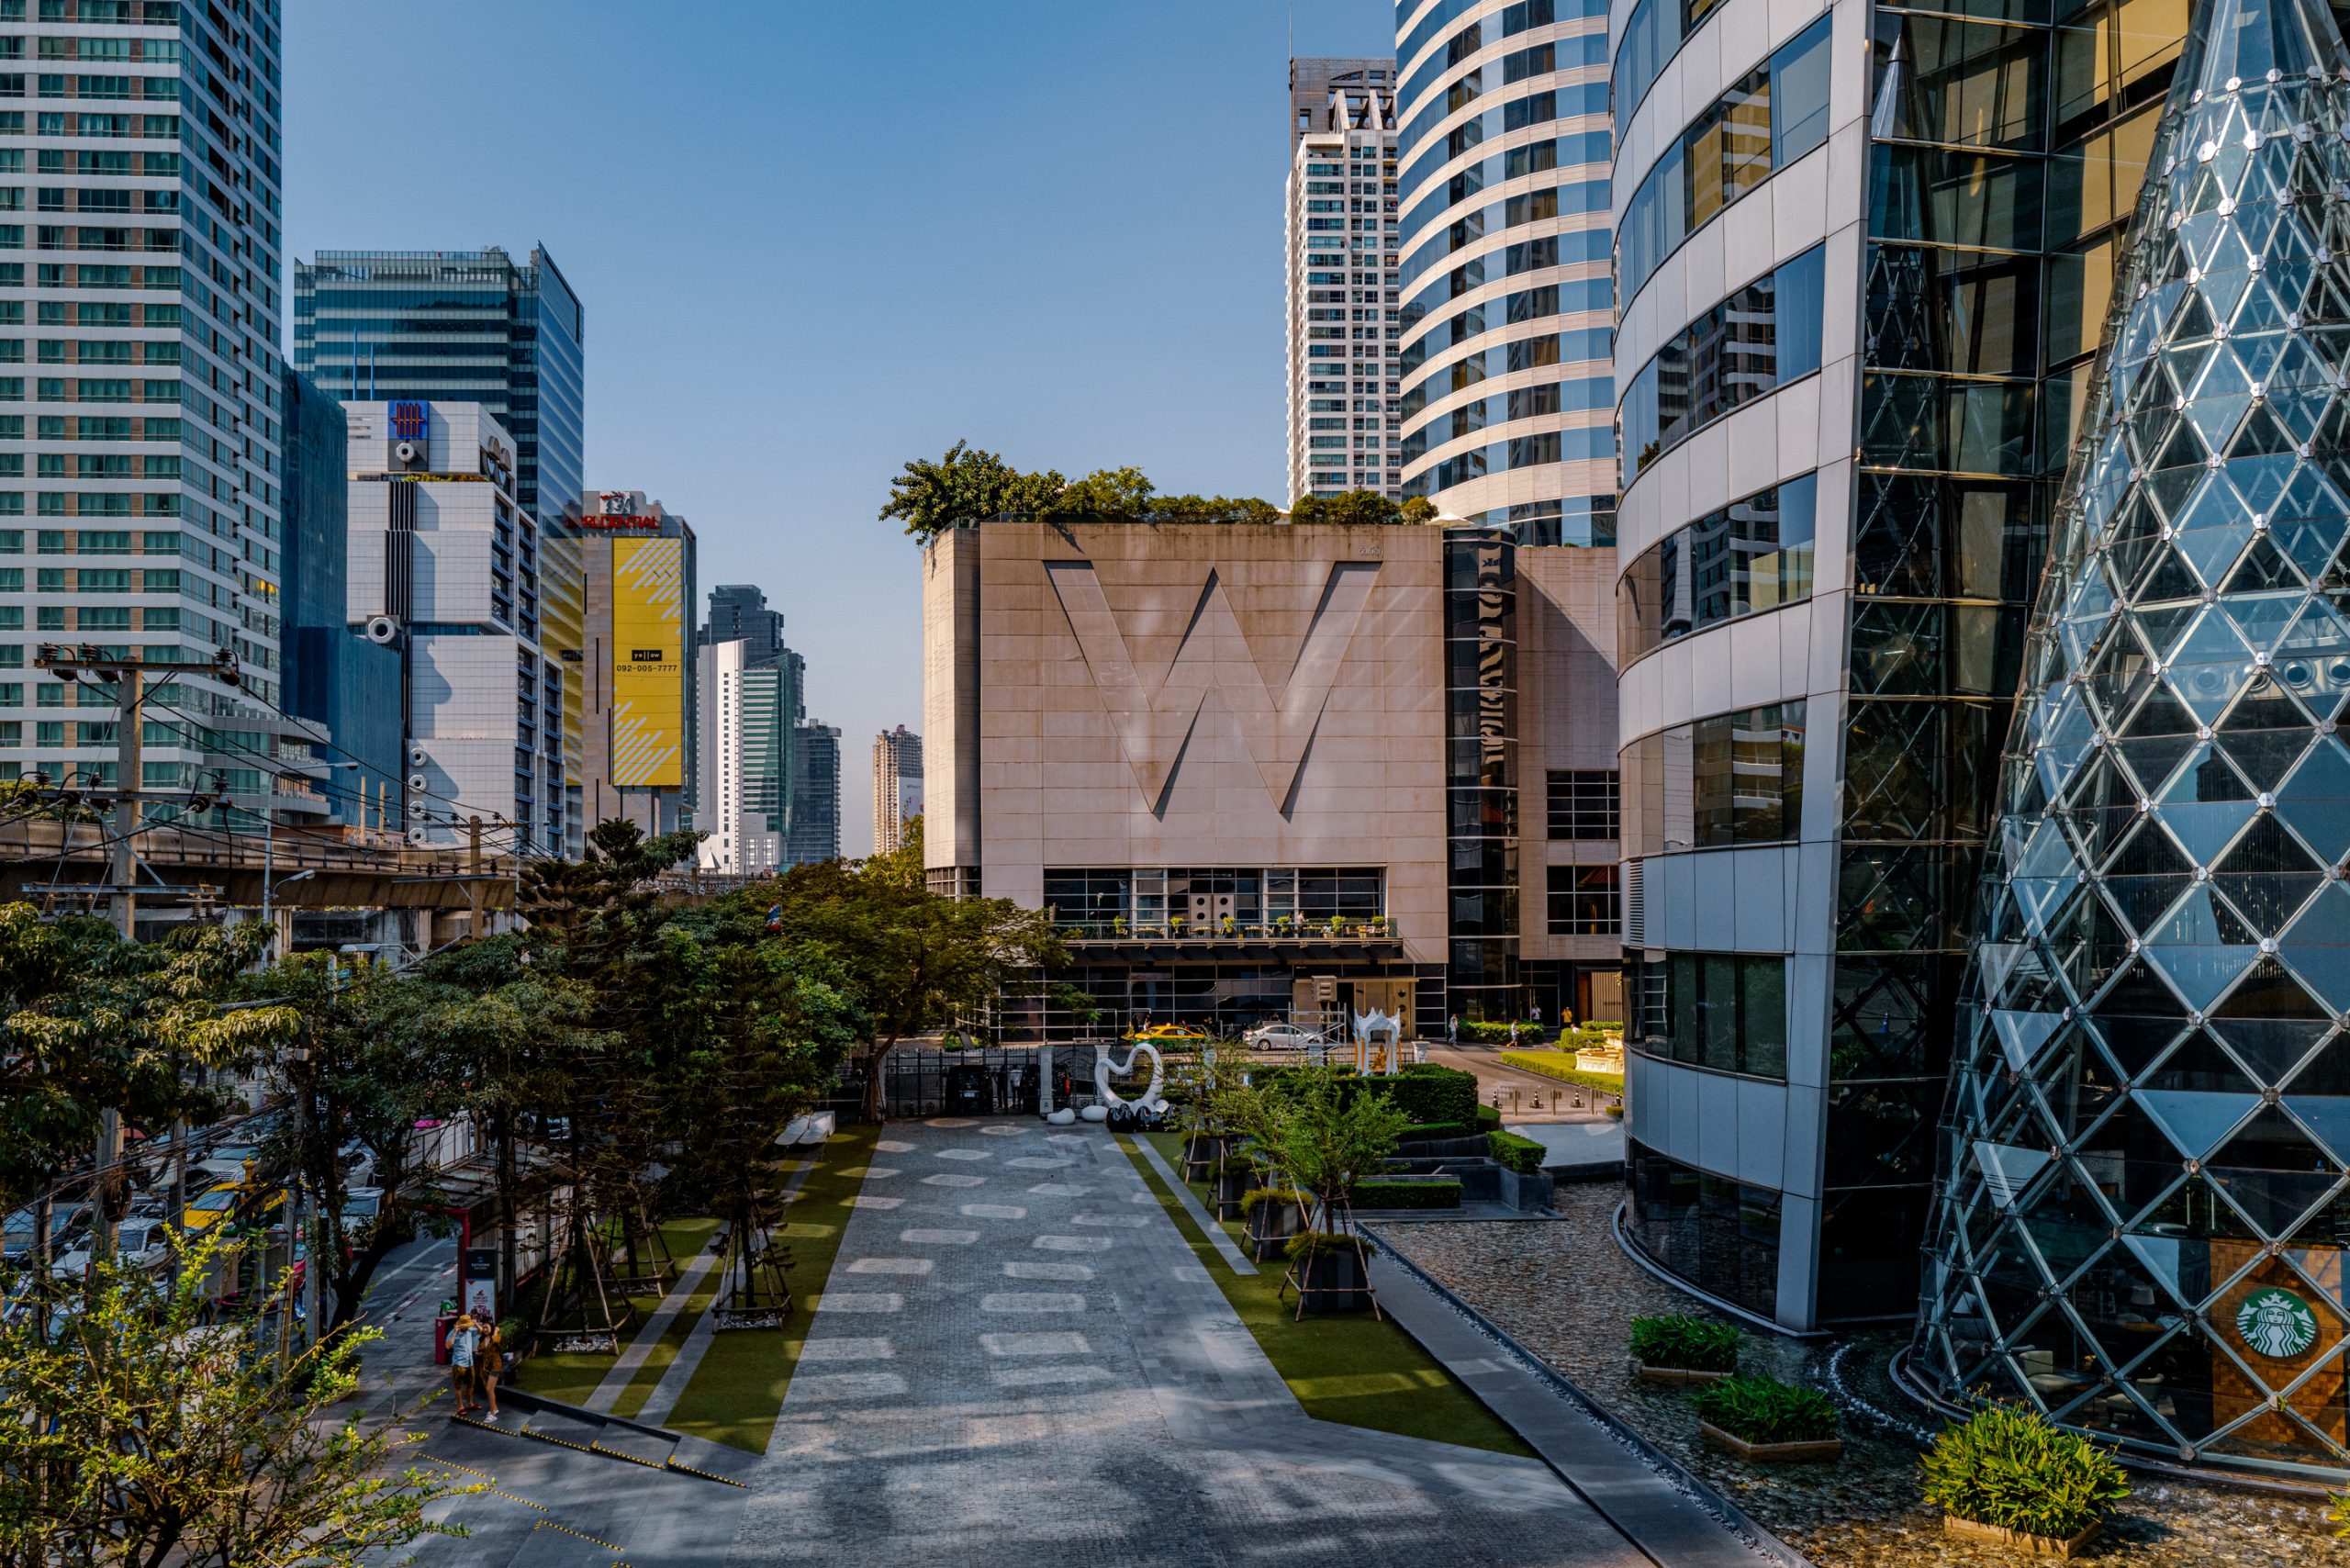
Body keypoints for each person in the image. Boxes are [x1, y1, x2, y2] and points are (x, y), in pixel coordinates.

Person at [446, 1311, 481, 1417]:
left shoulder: (470, 1330)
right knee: (458, 1386)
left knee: (471, 1383)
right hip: (459, 1363)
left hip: (469, 1362)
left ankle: (470, 1403)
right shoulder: (453, 1333)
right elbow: (447, 1346)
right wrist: (455, 1333)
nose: (467, 1327)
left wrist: (475, 1324)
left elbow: (480, 1332)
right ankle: (460, 1407)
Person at [475, 1316, 506, 1421]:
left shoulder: (495, 1336)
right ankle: (494, 1408)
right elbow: (481, 1348)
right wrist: (479, 1352)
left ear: (491, 1327)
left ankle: (492, 1414)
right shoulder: (483, 1338)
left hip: (495, 1366)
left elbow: (496, 1340)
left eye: (486, 1327)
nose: (484, 1330)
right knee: (488, 1390)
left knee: (489, 1389)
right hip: (485, 1367)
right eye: (483, 1328)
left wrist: (496, 1330)